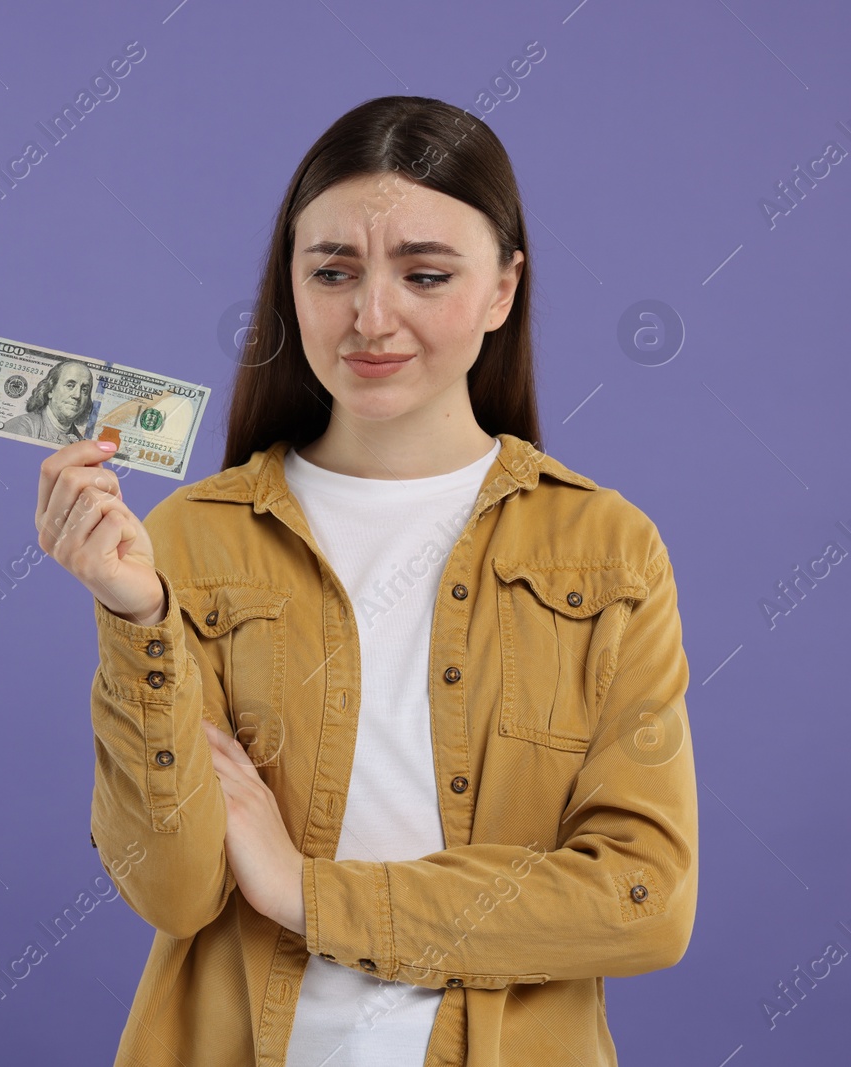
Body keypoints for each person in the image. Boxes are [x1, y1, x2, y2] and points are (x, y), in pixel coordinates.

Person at [34, 95, 696, 1066]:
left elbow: (644, 900)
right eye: (332, 271)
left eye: (424, 273)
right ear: (289, 287)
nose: (369, 317)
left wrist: (307, 891)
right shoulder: (189, 536)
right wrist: (136, 613)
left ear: (504, 289)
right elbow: (172, 890)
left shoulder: (605, 546)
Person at [2, 358, 94, 445]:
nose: (77, 395)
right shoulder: (23, 427)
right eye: (70, 385)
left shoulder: (81, 443)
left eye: (84, 390)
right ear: (50, 390)